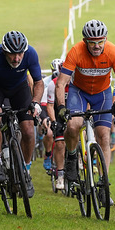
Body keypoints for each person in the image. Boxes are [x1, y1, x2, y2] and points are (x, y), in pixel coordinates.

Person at [55, 19, 115, 199]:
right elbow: (61, 82)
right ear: (85, 41)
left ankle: (104, 183)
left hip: (101, 94)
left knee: (103, 134)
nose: (96, 46)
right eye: (92, 42)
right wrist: (62, 107)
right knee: (73, 125)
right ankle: (72, 158)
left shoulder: (113, 51)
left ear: (105, 39)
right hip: (78, 92)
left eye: (100, 42)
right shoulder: (76, 51)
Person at [0, 31, 43, 198]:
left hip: (19, 89)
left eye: (20, 54)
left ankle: (25, 171)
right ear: (4, 51)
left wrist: (36, 102)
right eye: (12, 54)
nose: (17, 58)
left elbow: (38, 82)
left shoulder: (31, 54)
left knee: (27, 129)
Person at [47, 58, 67, 190]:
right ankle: (60, 175)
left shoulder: (78, 83)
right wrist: (53, 121)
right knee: (60, 143)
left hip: (73, 112)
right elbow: (49, 106)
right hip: (57, 113)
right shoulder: (53, 84)